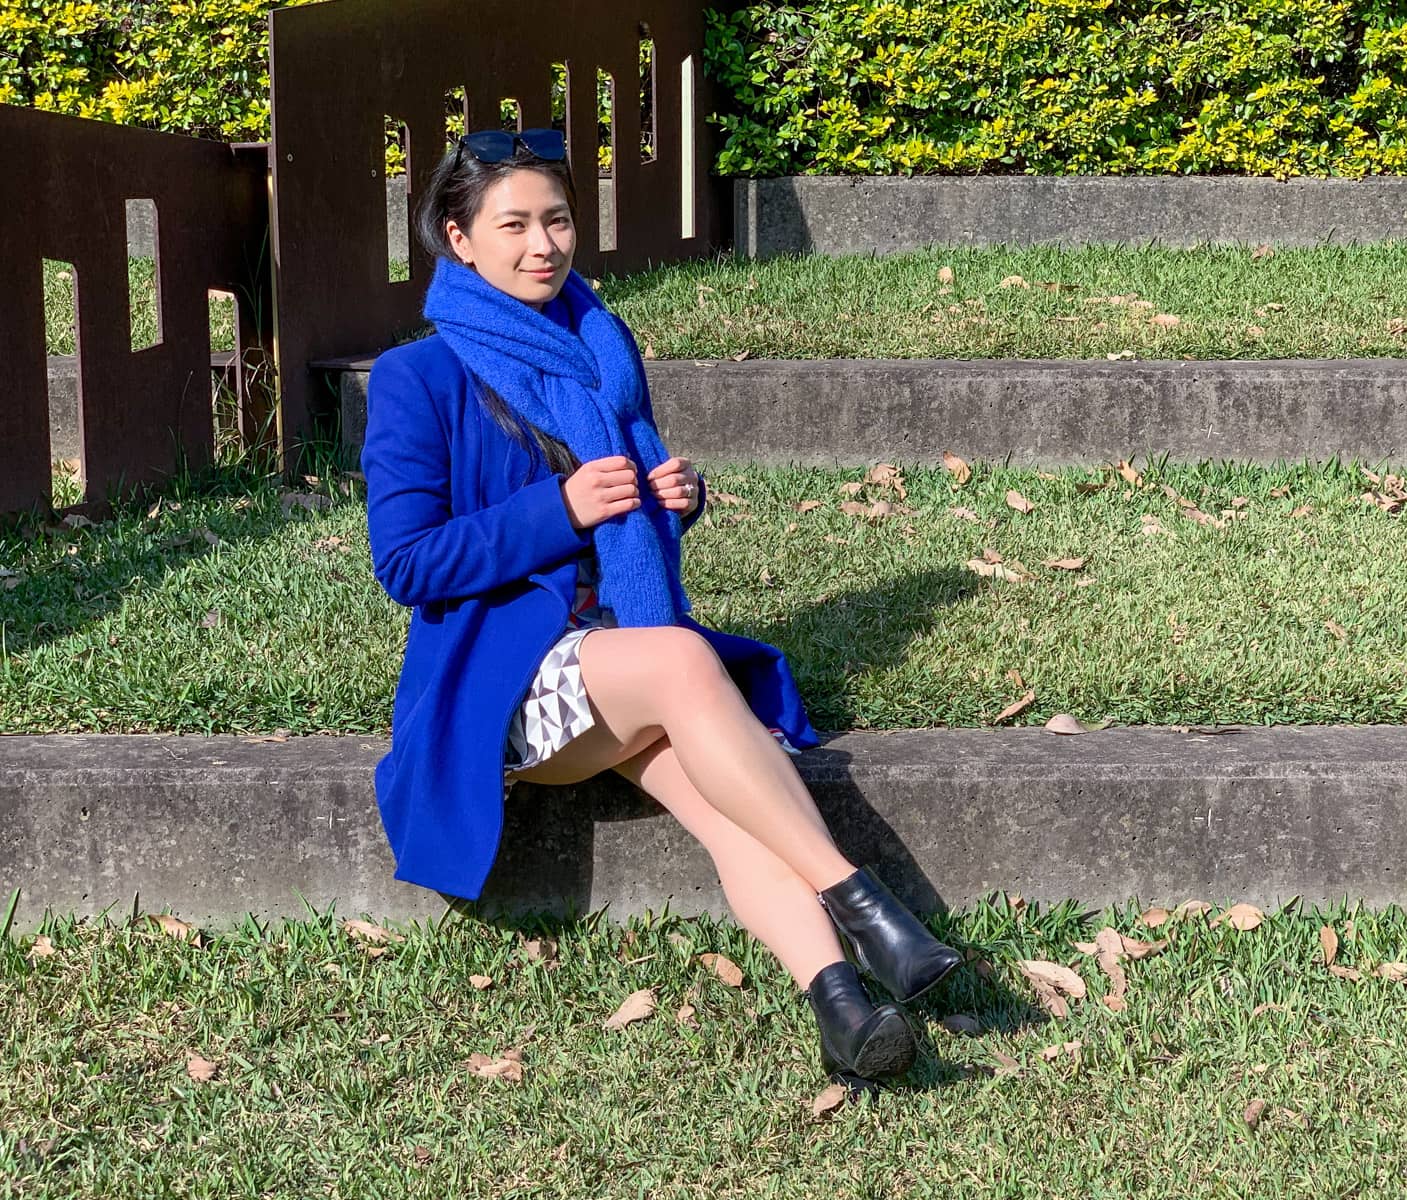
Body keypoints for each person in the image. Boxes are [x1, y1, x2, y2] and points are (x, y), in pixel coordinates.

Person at [361, 126, 965, 1091]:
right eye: (511, 224)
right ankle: (857, 896)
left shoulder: (599, 347)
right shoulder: (417, 376)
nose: (543, 245)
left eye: (556, 219)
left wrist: (675, 495)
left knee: (730, 809)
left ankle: (842, 1006)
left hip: (621, 656)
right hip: (505, 683)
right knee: (688, 663)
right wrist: (555, 511)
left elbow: (625, 515)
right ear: (457, 237)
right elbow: (406, 561)